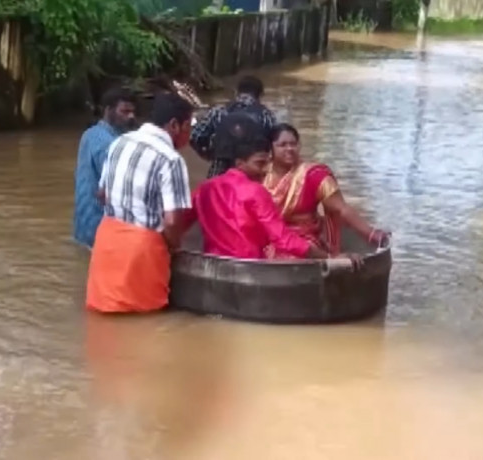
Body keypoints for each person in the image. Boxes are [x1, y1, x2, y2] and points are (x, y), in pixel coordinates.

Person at [86, 91, 194, 314]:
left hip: (107, 242)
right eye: (187, 128)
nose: (189, 135)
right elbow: (172, 222)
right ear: (174, 125)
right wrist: (174, 247)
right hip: (141, 251)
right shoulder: (171, 160)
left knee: (104, 324)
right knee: (145, 324)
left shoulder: (119, 143)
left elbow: (102, 194)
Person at [186, 114, 329, 260]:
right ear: (240, 163)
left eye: (266, 163)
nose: (265, 170)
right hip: (250, 266)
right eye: (259, 164)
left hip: (213, 261)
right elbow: (284, 240)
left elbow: (179, 221)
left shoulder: (203, 189)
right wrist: (326, 257)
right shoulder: (256, 192)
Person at [263, 123, 390, 259]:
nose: (289, 149)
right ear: (271, 148)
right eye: (282, 145)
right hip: (269, 238)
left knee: (290, 256)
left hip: (304, 240)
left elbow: (341, 209)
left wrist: (371, 234)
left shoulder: (314, 175)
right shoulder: (260, 174)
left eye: (293, 144)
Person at [73, 87, 137, 248]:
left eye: (132, 112)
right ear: (108, 111)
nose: (131, 117)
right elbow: (118, 185)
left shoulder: (90, 134)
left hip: (83, 225)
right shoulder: (110, 143)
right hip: (100, 227)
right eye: (125, 111)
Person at [190, 75, 277, 178]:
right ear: (260, 95)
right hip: (252, 173)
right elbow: (276, 144)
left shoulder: (218, 111)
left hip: (219, 170)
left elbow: (195, 136)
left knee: (214, 192)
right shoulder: (266, 115)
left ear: (236, 92)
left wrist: (209, 154)